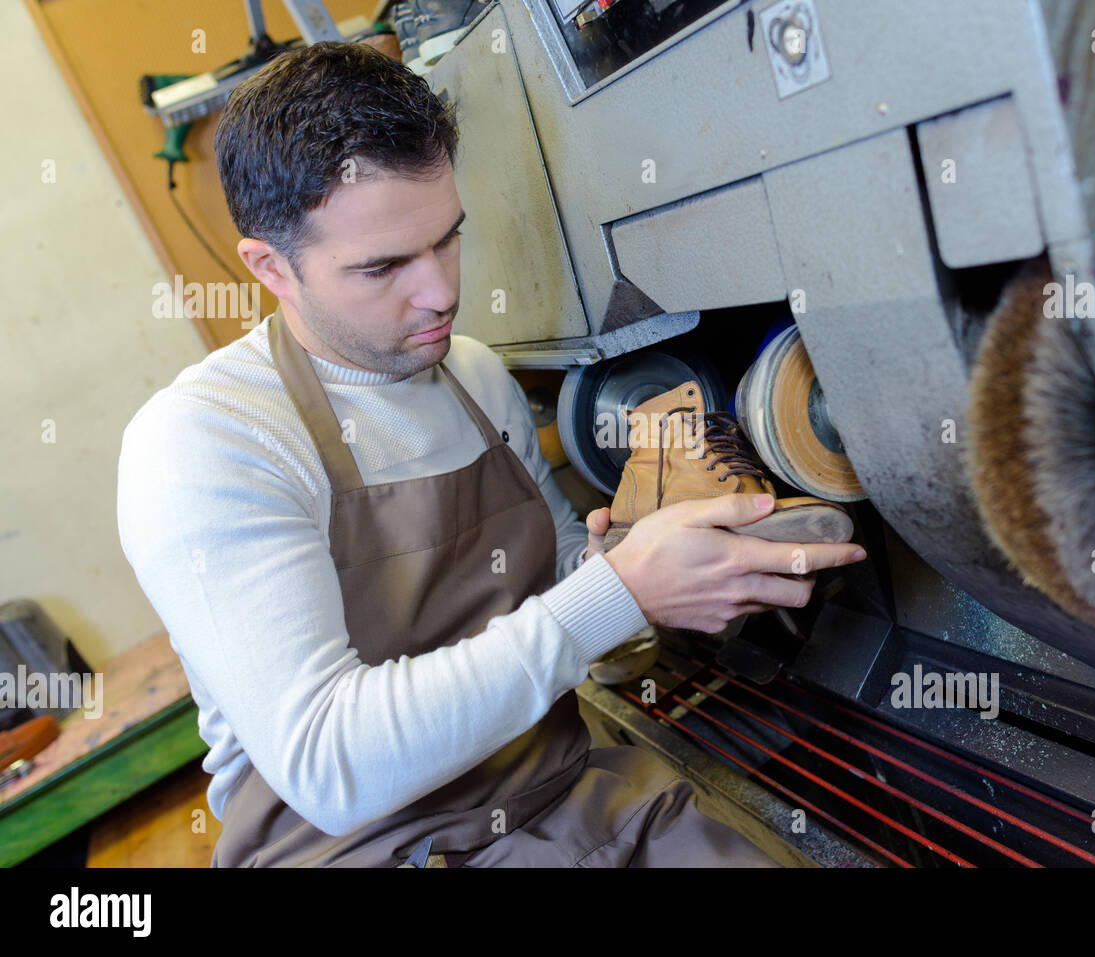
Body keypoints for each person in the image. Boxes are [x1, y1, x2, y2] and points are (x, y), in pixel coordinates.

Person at [116, 41, 866, 867]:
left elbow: (554, 581)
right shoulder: (208, 441)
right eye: (383, 267)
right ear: (271, 269)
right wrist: (616, 594)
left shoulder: (474, 377)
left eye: (447, 238)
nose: (440, 291)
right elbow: (332, 763)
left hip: (561, 793)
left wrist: (638, 560)